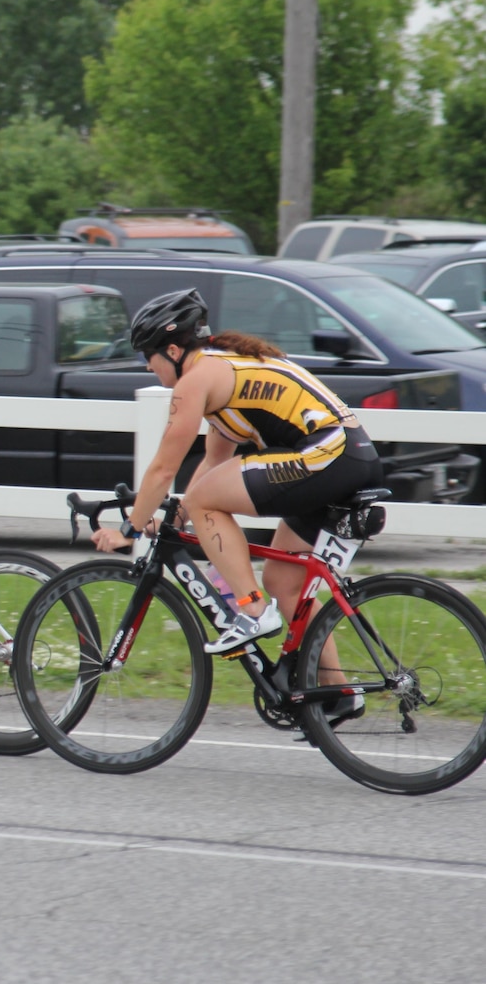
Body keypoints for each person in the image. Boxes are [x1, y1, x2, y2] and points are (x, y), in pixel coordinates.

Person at [92, 288, 382, 718]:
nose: (147, 366)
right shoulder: (224, 371)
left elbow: (161, 470)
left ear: (172, 350)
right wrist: (167, 519)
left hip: (327, 455)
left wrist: (128, 530)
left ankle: (251, 611)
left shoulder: (196, 382)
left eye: (147, 356)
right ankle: (338, 694)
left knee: (207, 502)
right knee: (285, 582)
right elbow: (213, 463)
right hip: (345, 458)